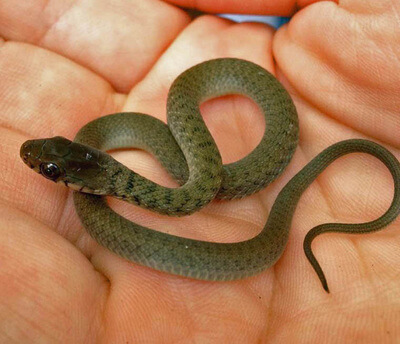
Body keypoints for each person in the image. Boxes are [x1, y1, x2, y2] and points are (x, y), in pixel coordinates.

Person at [1, 0, 399, 342]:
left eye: (50, 169)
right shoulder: (105, 155)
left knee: (205, 172)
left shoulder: (176, 184)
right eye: (52, 170)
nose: (43, 168)